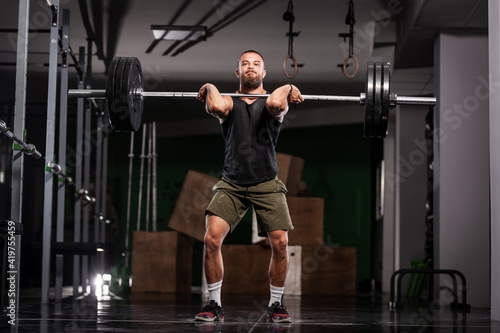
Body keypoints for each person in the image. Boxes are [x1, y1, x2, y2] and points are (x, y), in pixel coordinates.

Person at [194, 50, 304, 323]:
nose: (250, 68)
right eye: (245, 64)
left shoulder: (273, 103)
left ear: (264, 73)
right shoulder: (228, 103)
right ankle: (214, 305)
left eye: (256, 64)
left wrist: (289, 86)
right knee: (210, 240)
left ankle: (276, 305)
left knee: (280, 242)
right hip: (231, 183)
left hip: (266, 182)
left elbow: (277, 104)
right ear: (238, 72)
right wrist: (209, 86)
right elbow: (216, 106)